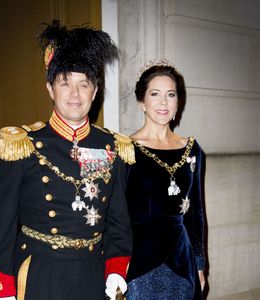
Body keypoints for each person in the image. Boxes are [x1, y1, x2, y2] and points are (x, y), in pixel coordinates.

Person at [0, 20, 134, 300]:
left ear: (95, 90)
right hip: (40, 275)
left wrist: (116, 269)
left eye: (84, 84)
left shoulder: (111, 146)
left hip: (93, 274)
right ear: (50, 89)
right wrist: (2, 290)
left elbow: (118, 220)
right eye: (65, 83)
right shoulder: (23, 144)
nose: (74, 94)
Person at [125, 59, 206, 299]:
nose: (163, 102)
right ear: (142, 102)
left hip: (182, 258)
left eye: (171, 94)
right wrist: (116, 264)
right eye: (155, 94)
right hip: (140, 260)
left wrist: (200, 266)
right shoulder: (125, 150)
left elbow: (196, 213)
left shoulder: (192, 149)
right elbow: (117, 214)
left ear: (178, 102)